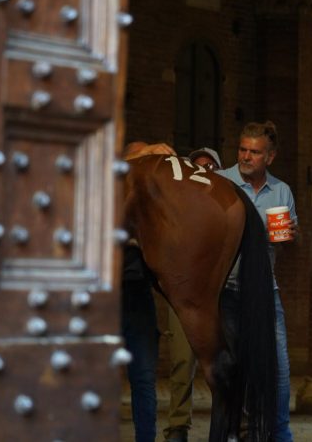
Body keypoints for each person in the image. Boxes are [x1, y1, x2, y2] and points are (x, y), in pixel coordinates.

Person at [217, 121, 297, 442]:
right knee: (232, 366)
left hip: (264, 290)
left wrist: (289, 233)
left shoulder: (280, 191)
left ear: (270, 157)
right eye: (242, 150)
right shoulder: (219, 182)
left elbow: (285, 242)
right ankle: (236, 432)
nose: (246, 157)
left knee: (278, 366)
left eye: (254, 152)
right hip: (226, 289)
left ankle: (280, 433)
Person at [164, 147, 223, 442]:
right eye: (197, 167)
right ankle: (177, 426)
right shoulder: (176, 209)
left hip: (219, 296)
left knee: (224, 364)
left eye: (210, 167)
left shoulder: (225, 206)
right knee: (181, 363)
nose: (203, 171)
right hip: (183, 296)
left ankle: (225, 425)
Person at [121, 141, 175, 442]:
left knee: (143, 377)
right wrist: (145, 152)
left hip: (138, 295)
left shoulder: (148, 209)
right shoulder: (109, 192)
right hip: (106, 300)